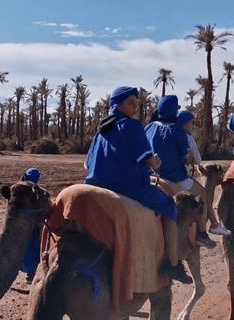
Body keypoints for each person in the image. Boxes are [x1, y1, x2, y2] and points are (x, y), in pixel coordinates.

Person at [85, 86, 192, 284]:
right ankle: (173, 263)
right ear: (117, 105)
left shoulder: (101, 131)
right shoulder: (132, 126)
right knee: (169, 206)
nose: (135, 107)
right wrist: (157, 162)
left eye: (136, 102)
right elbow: (151, 162)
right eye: (130, 102)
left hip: (98, 186)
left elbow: (87, 164)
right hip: (130, 187)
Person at [145, 96, 230, 249]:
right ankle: (203, 233)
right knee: (203, 194)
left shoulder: (149, 128)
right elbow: (187, 159)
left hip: (152, 175)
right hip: (175, 178)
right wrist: (189, 159)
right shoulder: (176, 131)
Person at [19, 168, 42, 284]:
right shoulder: (38, 192)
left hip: (23, 226)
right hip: (34, 227)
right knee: (34, 250)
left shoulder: (20, 190)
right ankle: (31, 274)